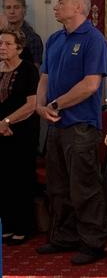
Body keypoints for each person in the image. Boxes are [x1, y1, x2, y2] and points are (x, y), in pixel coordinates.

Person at [35, 0, 107, 265]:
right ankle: (64, 236)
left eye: (61, 2)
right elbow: (45, 77)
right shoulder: (54, 38)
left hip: (80, 126)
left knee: (84, 186)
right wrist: (40, 105)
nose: (55, 6)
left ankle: (93, 242)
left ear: (78, 7)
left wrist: (56, 105)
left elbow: (90, 85)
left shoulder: (93, 39)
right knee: (57, 185)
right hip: (55, 125)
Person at [0, 29, 39, 246]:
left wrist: (7, 122)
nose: (2, 47)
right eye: (0, 44)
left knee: (19, 178)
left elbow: (31, 104)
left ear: (19, 48)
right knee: (3, 180)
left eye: (7, 44)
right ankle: (7, 225)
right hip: (0, 131)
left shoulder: (28, 70)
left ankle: (24, 226)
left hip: (21, 132)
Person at [3, 0, 44, 67]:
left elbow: (35, 72)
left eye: (16, 7)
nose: (12, 12)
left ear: (24, 10)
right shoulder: (1, 35)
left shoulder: (33, 38)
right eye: (8, 7)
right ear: (4, 11)